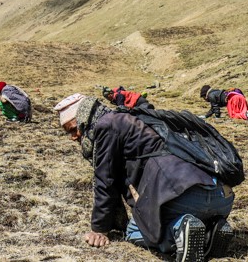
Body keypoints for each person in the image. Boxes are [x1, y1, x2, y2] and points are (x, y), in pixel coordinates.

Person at [53, 94, 234, 262]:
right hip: (220, 195)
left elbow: (105, 181)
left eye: (73, 129)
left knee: (133, 231)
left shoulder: (105, 126)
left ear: (84, 119)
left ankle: (178, 230)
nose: (73, 137)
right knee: (177, 217)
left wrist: (99, 229)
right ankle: (211, 229)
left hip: (179, 192)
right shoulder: (133, 119)